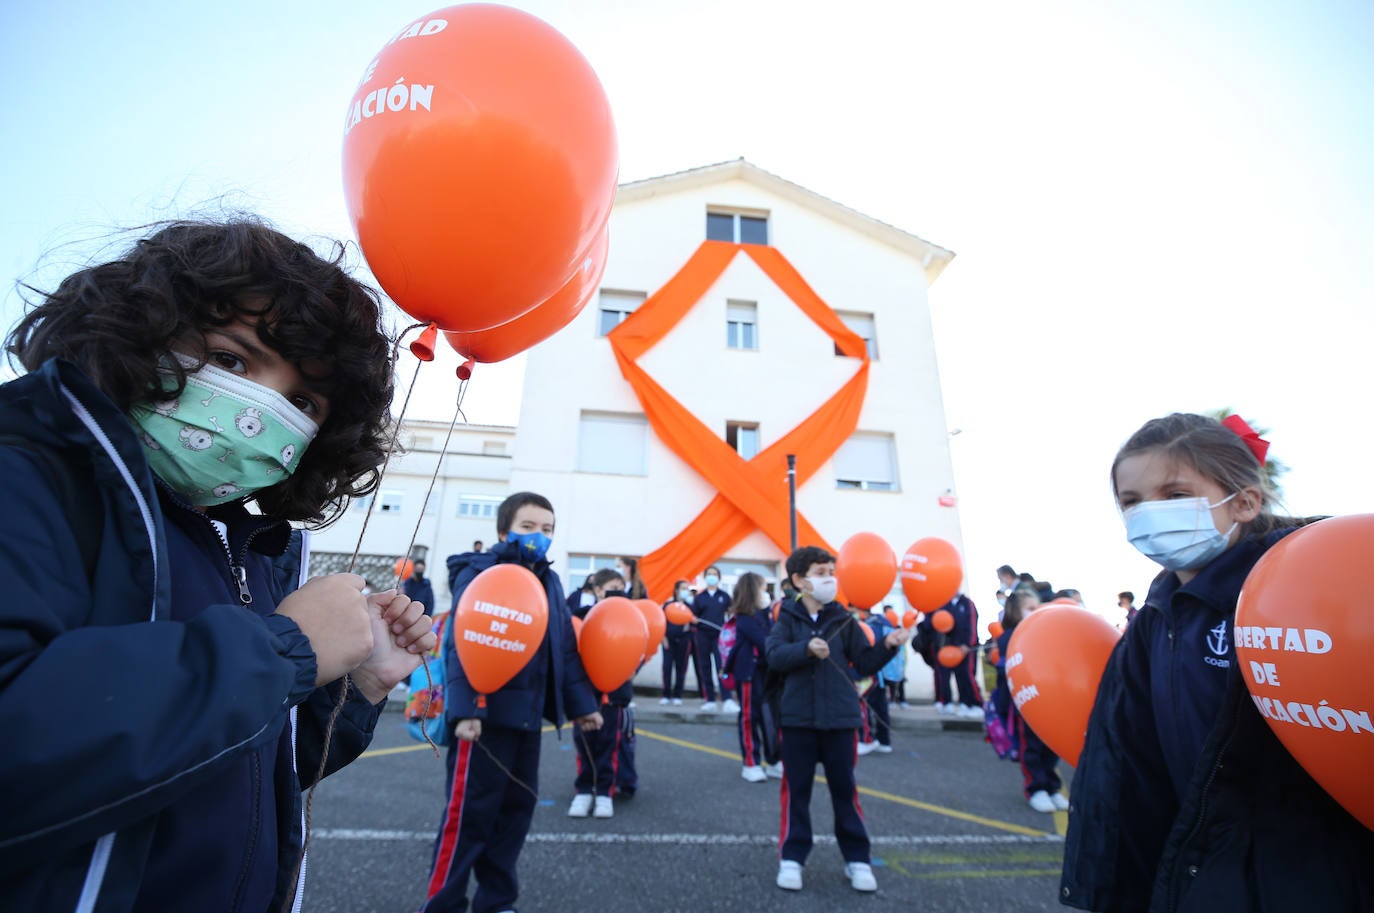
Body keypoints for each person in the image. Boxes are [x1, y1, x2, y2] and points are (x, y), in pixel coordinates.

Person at [0, 219, 436, 912]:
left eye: (301, 402)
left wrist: (351, 686)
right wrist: (283, 649)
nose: (261, 410)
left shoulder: (252, 548)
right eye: (233, 361)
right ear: (143, 332)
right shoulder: (26, 475)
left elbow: (246, 761)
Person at [1061, 413, 1374, 912]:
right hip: (1201, 876)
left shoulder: (1303, 596)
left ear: (1246, 501)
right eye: (1132, 502)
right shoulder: (1153, 620)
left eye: (1174, 494)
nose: (1148, 513)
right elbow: (1133, 770)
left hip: (1310, 879)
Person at [427, 492, 602, 913]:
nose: (539, 536)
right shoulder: (482, 570)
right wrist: (467, 709)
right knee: (468, 818)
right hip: (483, 720)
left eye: (547, 529)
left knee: (515, 812)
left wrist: (583, 705)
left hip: (527, 720)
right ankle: (442, 904)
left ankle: (497, 902)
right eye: (528, 527)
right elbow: (460, 642)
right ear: (504, 530)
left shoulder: (549, 580)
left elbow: (565, 648)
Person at [765, 546, 909, 894]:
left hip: (842, 722)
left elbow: (862, 663)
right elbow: (773, 656)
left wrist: (889, 644)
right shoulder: (786, 616)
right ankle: (792, 858)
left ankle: (857, 860)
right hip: (798, 721)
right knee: (795, 793)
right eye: (820, 572)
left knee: (845, 792)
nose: (829, 578)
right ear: (799, 580)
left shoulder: (844, 618)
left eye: (831, 571)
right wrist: (805, 650)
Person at [568, 568, 635, 818]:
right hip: (585, 695)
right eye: (611, 588)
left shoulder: (630, 618)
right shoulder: (580, 616)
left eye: (621, 587)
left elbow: (638, 648)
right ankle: (584, 790)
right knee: (584, 743)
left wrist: (630, 668)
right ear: (597, 590)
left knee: (609, 745)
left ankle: (605, 793)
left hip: (615, 695)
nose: (617, 593)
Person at [992, 590, 1065, 812]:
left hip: (1047, 699)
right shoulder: (1009, 636)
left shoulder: (1044, 633)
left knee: (1051, 746)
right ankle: (1035, 788)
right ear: (1016, 612)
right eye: (1030, 609)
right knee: (1031, 747)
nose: (1037, 612)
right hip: (1025, 701)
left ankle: (1052, 787)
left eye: (1038, 607)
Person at [721, 572, 780, 782]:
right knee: (749, 717)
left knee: (769, 718)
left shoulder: (764, 615)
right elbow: (765, 642)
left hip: (764, 672)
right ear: (753, 591)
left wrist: (767, 612)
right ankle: (751, 762)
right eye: (763, 588)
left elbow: (772, 635)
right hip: (748, 673)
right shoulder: (744, 618)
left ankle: (773, 761)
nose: (766, 593)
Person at [692, 564, 732, 712]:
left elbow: (731, 613)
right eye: (709, 574)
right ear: (705, 577)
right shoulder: (699, 597)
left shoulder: (725, 596)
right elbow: (693, 616)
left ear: (719, 578)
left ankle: (727, 698)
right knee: (705, 667)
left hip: (720, 636)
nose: (712, 576)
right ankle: (709, 699)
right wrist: (693, 619)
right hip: (702, 635)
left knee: (721, 667)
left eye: (714, 574)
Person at [855, 605, 894, 754]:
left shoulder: (871, 625)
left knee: (864, 706)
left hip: (871, 674)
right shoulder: (883, 622)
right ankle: (884, 740)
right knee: (879, 706)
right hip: (882, 673)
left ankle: (866, 739)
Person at [659, 578, 694, 705]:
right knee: (667, 667)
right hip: (668, 640)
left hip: (684, 641)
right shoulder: (668, 606)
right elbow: (661, 623)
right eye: (683, 588)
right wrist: (664, 639)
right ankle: (665, 694)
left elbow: (694, 624)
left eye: (687, 588)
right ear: (677, 590)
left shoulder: (690, 607)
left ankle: (678, 694)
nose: (685, 591)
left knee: (681, 668)